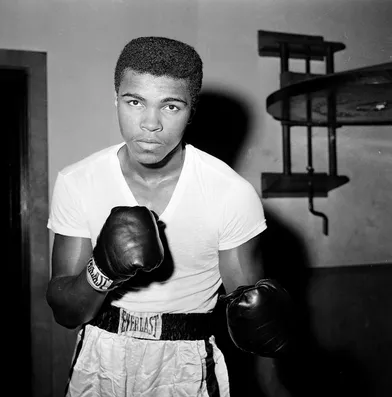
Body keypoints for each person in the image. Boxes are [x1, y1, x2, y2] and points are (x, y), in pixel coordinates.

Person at [46, 36, 293, 397]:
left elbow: (252, 318)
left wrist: (270, 332)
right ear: (116, 100)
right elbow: (66, 314)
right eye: (135, 102)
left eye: (171, 106)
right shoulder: (77, 182)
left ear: (191, 111)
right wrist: (103, 270)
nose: (150, 124)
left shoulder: (230, 193)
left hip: (188, 362)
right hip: (101, 355)